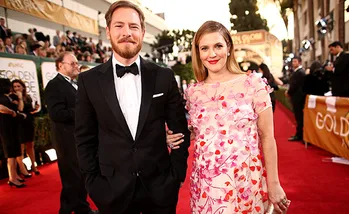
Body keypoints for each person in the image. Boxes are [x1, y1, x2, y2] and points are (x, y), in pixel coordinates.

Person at [74, 1, 190, 214]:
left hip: (160, 190)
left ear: (143, 32)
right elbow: (84, 139)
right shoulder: (88, 81)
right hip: (111, 193)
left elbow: (180, 129)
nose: (126, 32)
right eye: (119, 26)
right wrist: (95, 185)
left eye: (133, 26)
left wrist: (177, 175)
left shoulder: (163, 76)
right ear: (108, 31)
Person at [166, 21, 289, 214]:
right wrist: (172, 137)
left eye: (218, 46)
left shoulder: (253, 84)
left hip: (245, 182)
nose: (212, 54)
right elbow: (199, 132)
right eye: (204, 48)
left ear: (229, 48)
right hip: (207, 186)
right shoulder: (193, 93)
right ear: (198, 53)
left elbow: (267, 137)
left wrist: (274, 183)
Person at [44, 52, 97, 214]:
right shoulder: (54, 85)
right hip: (66, 140)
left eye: (76, 63)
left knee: (78, 177)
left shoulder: (75, 83)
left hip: (78, 138)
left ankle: (76, 208)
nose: (77, 66)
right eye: (73, 63)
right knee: (72, 177)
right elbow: (57, 114)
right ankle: (77, 209)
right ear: (61, 65)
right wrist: (83, 111)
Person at [0, 78, 27, 188]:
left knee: (15, 152)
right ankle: (12, 178)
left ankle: (15, 175)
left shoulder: (9, 97)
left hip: (12, 128)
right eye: (8, 85)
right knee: (10, 153)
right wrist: (12, 112)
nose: (11, 88)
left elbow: (19, 108)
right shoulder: (1, 97)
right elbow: (1, 108)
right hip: (5, 129)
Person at [11, 79, 41, 175]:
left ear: (23, 87)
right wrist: (19, 98)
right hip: (19, 124)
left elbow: (28, 110)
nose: (16, 88)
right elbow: (20, 109)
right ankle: (22, 169)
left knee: (30, 145)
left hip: (28, 123)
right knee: (21, 147)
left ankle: (33, 165)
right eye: (14, 86)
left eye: (18, 86)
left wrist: (35, 109)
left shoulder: (27, 97)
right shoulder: (13, 98)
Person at [285, 56, 306, 142]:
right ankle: (299, 134)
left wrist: (289, 92)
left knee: (299, 117)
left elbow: (295, 85)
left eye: (295, 61)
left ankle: (300, 135)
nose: (293, 63)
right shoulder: (297, 72)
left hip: (298, 98)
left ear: (299, 62)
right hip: (296, 97)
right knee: (298, 117)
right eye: (293, 62)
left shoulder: (300, 72)